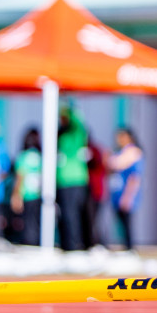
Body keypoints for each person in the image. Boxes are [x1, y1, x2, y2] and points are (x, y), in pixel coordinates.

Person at [55, 104, 90, 251]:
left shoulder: (76, 134)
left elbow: (79, 123)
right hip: (63, 181)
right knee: (65, 215)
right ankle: (67, 244)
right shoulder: (61, 135)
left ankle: (75, 245)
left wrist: (67, 107)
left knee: (73, 215)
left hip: (75, 181)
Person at [107, 127, 144, 252]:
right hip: (116, 193)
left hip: (125, 194)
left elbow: (134, 177)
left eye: (122, 137)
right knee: (119, 223)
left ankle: (129, 248)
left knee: (127, 223)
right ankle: (125, 247)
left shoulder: (133, 153)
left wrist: (128, 196)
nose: (119, 140)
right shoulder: (119, 153)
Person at [10, 128, 44, 246]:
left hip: (27, 194)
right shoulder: (41, 157)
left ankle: (30, 243)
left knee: (28, 223)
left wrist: (16, 195)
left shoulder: (23, 157)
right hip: (38, 194)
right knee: (36, 221)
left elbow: (20, 177)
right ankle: (36, 242)